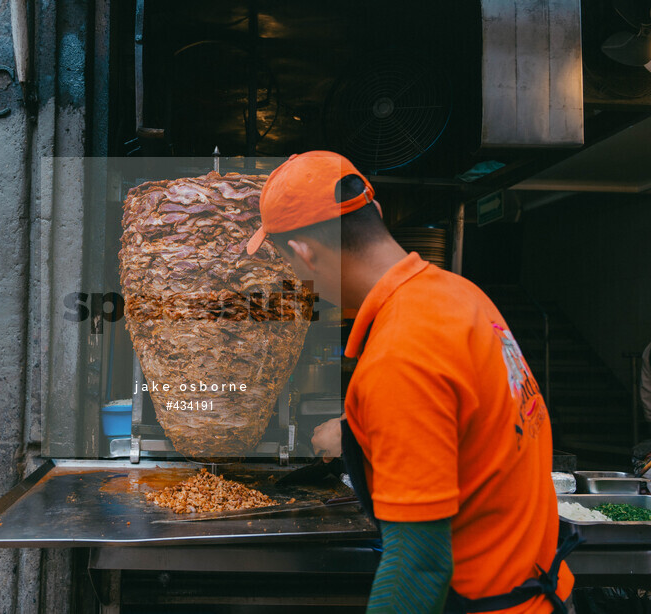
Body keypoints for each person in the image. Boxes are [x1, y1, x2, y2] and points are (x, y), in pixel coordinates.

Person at [246, 151, 576, 614]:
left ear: (304, 253)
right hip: (546, 593)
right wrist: (354, 431)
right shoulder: (459, 294)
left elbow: (419, 565)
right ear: (375, 214)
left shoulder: (400, 353)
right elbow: (466, 419)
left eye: (290, 266)